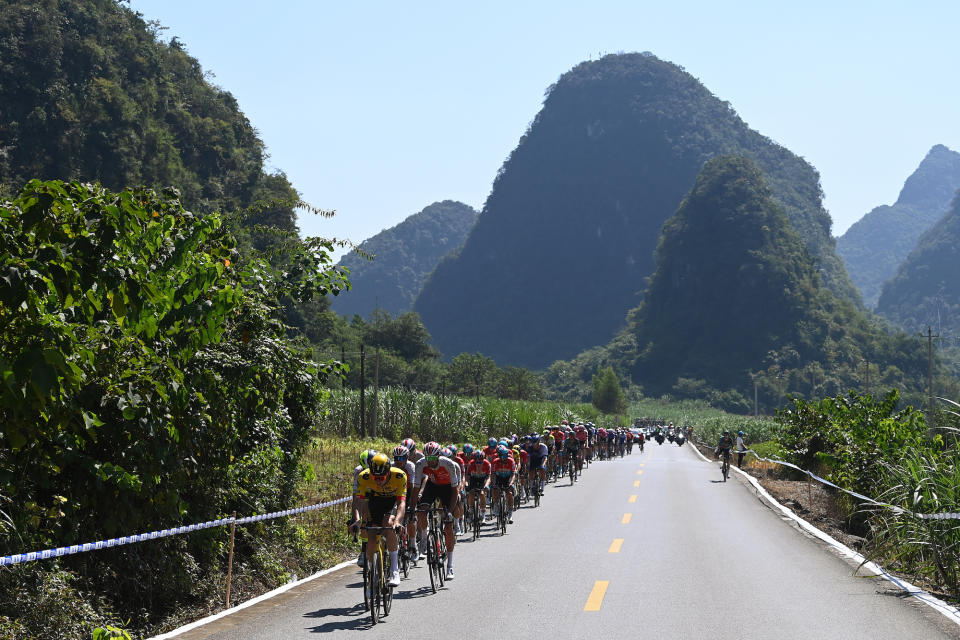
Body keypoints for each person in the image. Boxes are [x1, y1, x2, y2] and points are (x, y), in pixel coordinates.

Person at [355, 453, 407, 589]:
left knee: (388, 525)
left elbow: (401, 503)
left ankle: (394, 571)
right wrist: (357, 520)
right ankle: (372, 575)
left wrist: (398, 521)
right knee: (371, 538)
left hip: (392, 502)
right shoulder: (364, 477)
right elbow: (359, 502)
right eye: (375, 478)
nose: (378, 481)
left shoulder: (399, 476)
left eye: (381, 478)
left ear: (389, 472)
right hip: (375, 502)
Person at [415, 441, 462, 580]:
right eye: (427, 458)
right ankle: (424, 539)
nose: (429, 461)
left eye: (432, 458)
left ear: (439, 455)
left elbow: (455, 491)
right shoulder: (420, 464)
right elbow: (416, 488)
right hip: (432, 485)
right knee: (421, 511)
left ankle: (450, 566)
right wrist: (412, 508)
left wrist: (450, 512)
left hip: (448, 488)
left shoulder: (449, 464)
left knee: (448, 526)